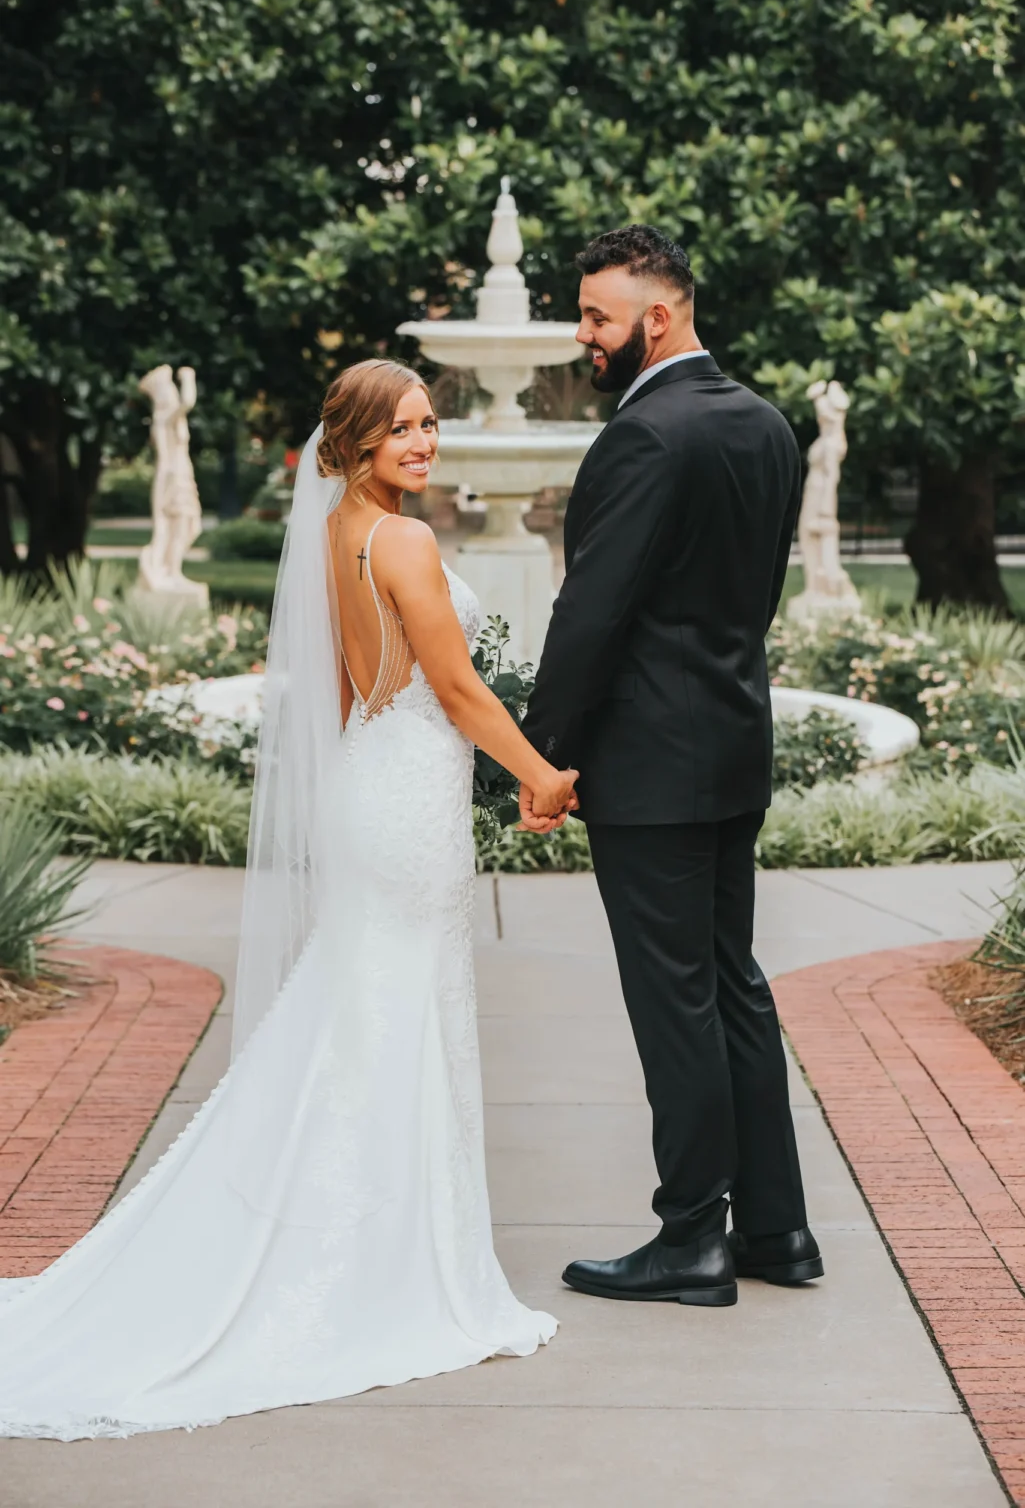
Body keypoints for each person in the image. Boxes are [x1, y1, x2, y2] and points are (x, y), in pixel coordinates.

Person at [0, 359, 576, 1439]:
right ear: (354, 442)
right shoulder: (401, 540)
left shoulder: (332, 535)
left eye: (429, 422)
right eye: (400, 429)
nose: (424, 442)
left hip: (373, 780)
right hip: (405, 797)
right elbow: (452, 688)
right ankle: (391, 1256)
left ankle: (371, 1229)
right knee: (394, 1011)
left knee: (363, 1011)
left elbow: (358, 680)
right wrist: (539, 773)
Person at [520, 225, 823, 1306]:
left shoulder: (644, 437)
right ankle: (776, 1233)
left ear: (657, 316)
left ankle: (691, 1235)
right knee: (731, 986)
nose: (583, 336)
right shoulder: (763, 425)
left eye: (597, 317)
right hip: (731, 747)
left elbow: (591, 614)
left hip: (649, 766)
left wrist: (533, 755)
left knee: (675, 1001)